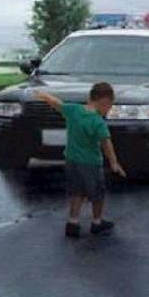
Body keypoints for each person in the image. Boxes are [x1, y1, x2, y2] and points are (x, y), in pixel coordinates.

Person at [34, 83, 127, 238]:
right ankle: (97, 222)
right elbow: (106, 144)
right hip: (91, 163)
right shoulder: (97, 122)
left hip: (71, 161)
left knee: (77, 192)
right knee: (97, 194)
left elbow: (57, 103)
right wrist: (114, 163)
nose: (108, 111)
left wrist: (44, 96)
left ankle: (73, 222)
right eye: (109, 107)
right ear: (104, 102)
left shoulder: (74, 110)